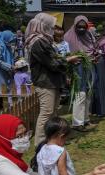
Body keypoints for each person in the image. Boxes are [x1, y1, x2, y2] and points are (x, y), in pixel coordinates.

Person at [25, 13, 80, 146]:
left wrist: (65, 61)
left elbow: (54, 60)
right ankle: (40, 144)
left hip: (51, 81)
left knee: (53, 112)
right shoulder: (38, 42)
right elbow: (52, 63)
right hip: (45, 82)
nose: (53, 30)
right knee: (46, 113)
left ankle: (52, 139)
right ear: (43, 26)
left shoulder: (43, 40)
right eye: (50, 27)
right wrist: (68, 60)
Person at [64, 15, 98, 131]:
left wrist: (95, 55)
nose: (82, 29)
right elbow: (66, 56)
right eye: (79, 27)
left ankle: (85, 119)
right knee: (80, 94)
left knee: (88, 93)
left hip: (90, 67)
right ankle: (77, 123)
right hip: (77, 68)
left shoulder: (89, 35)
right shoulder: (69, 37)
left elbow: (93, 49)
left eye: (84, 27)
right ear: (75, 26)